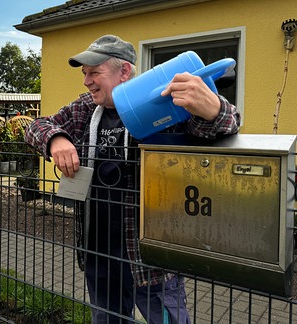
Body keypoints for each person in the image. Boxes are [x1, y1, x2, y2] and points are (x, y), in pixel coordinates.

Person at [25, 35, 240, 323]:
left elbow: (225, 125)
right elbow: (36, 126)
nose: (86, 81)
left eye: (94, 72)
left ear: (124, 72)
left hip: (151, 257)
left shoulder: (161, 100)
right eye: (84, 74)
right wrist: (56, 139)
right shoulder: (85, 109)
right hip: (98, 252)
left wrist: (212, 107)